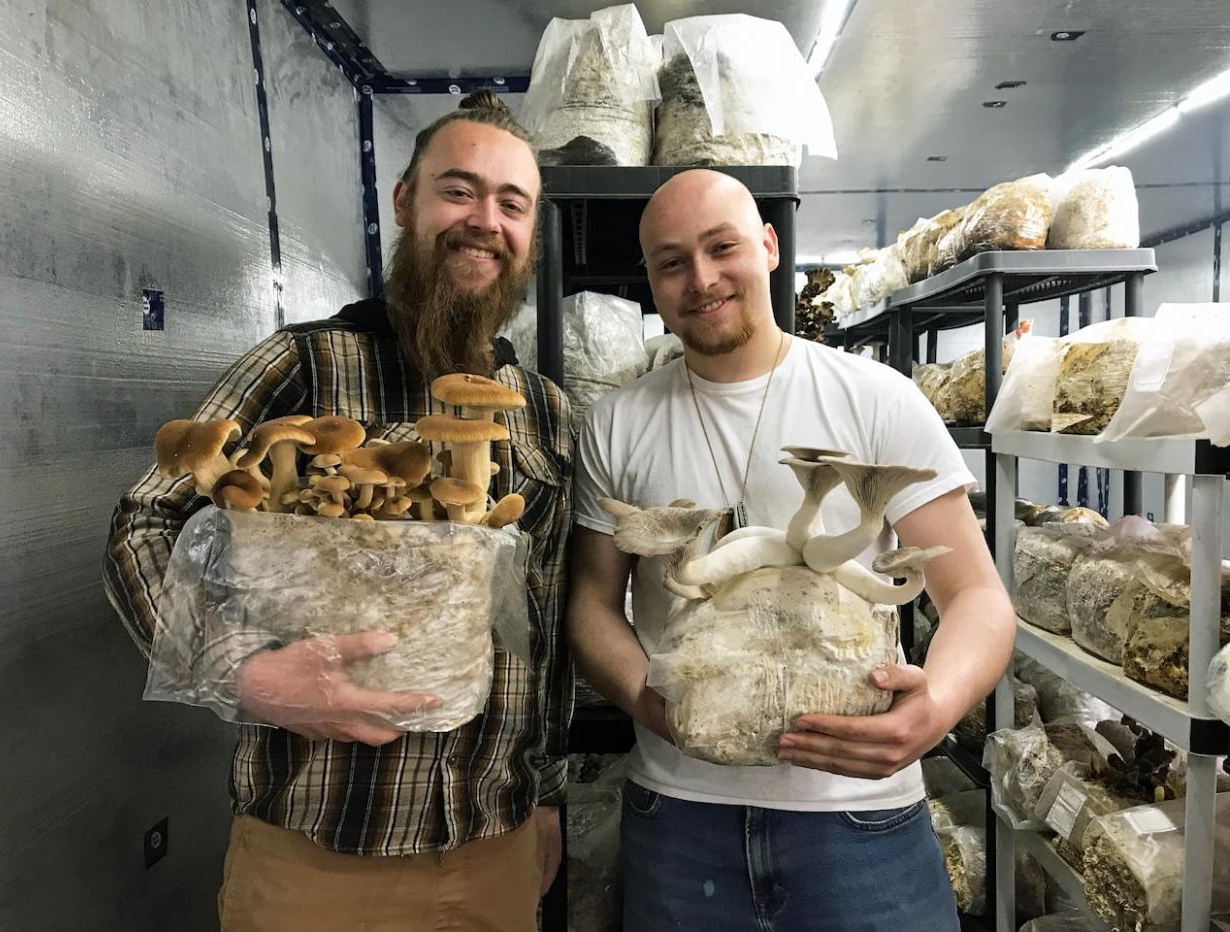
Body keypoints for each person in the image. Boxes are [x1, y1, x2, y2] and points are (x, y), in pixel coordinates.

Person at [103, 91, 573, 932]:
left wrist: (546, 797)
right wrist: (242, 669)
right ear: (405, 202)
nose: (484, 221)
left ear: (532, 233)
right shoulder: (303, 364)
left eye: (512, 204)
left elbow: (548, 627)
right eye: (458, 191)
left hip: (494, 848)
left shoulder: (546, 413)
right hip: (319, 853)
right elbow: (144, 526)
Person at [566, 168, 1015, 931]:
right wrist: (657, 704)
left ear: (768, 246)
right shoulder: (617, 422)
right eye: (672, 261)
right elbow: (591, 605)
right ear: (650, 278)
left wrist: (935, 708)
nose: (701, 279)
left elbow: (976, 596)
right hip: (682, 813)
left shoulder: (875, 397)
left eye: (722, 247)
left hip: (857, 817)